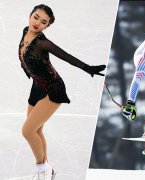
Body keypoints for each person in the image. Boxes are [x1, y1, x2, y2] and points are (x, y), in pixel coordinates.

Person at [19, 4, 106, 179]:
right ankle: (47, 172)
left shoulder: (42, 42)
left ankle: (42, 169)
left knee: (27, 131)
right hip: (37, 87)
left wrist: (88, 68)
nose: (37, 23)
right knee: (36, 130)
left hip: (53, 88)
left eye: (43, 22)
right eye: (36, 17)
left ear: (47, 25)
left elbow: (65, 56)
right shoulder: (25, 32)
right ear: (30, 15)